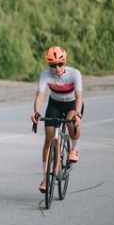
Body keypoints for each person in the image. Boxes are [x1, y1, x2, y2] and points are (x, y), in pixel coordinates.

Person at [30, 46, 83, 193]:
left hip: (72, 104)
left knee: (71, 122)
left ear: (65, 61)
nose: (57, 68)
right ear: (49, 64)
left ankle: (74, 149)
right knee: (49, 138)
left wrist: (78, 114)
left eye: (60, 64)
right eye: (53, 65)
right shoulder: (45, 75)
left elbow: (79, 96)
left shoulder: (75, 74)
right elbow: (40, 95)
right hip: (55, 104)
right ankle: (46, 178)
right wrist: (36, 112)